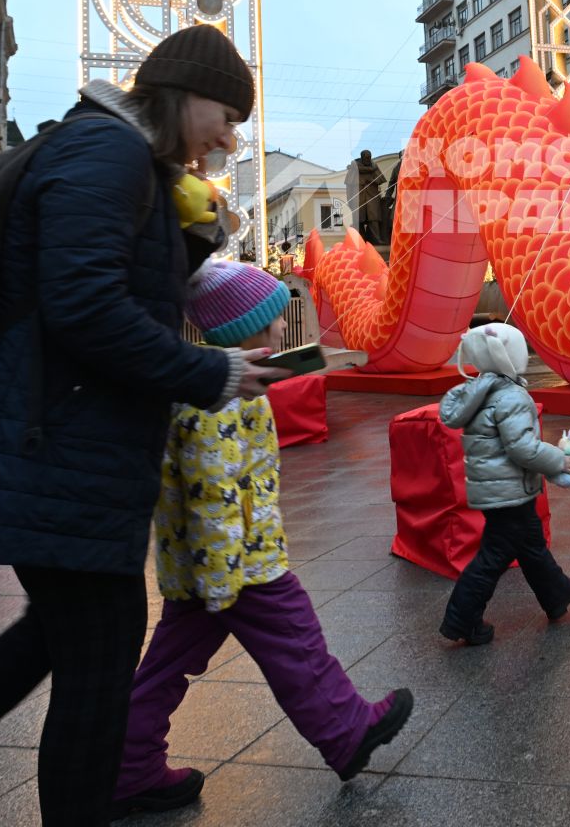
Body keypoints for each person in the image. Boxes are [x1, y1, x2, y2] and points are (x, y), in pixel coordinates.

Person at [0, 26, 290, 827]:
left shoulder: (130, 166)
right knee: (99, 657)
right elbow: (86, 308)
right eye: (225, 114)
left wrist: (191, 240)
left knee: (57, 635)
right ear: (184, 94)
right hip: (50, 444)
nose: (230, 135)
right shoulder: (105, 155)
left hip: (64, 444)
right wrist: (207, 372)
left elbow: (104, 293)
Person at [112, 261, 414, 819]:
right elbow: (213, 493)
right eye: (274, 320)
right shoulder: (216, 400)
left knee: (165, 664)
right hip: (239, 565)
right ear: (240, 330)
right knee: (295, 639)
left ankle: (127, 768)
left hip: (202, 566)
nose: (282, 330)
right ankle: (346, 731)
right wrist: (227, 580)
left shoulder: (217, 385)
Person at [437, 323, 570, 647]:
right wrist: (558, 459)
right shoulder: (511, 396)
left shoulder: (481, 391)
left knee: (531, 546)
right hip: (510, 491)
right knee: (494, 557)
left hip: (498, 490)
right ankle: (462, 618)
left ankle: (557, 594)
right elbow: (521, 448)